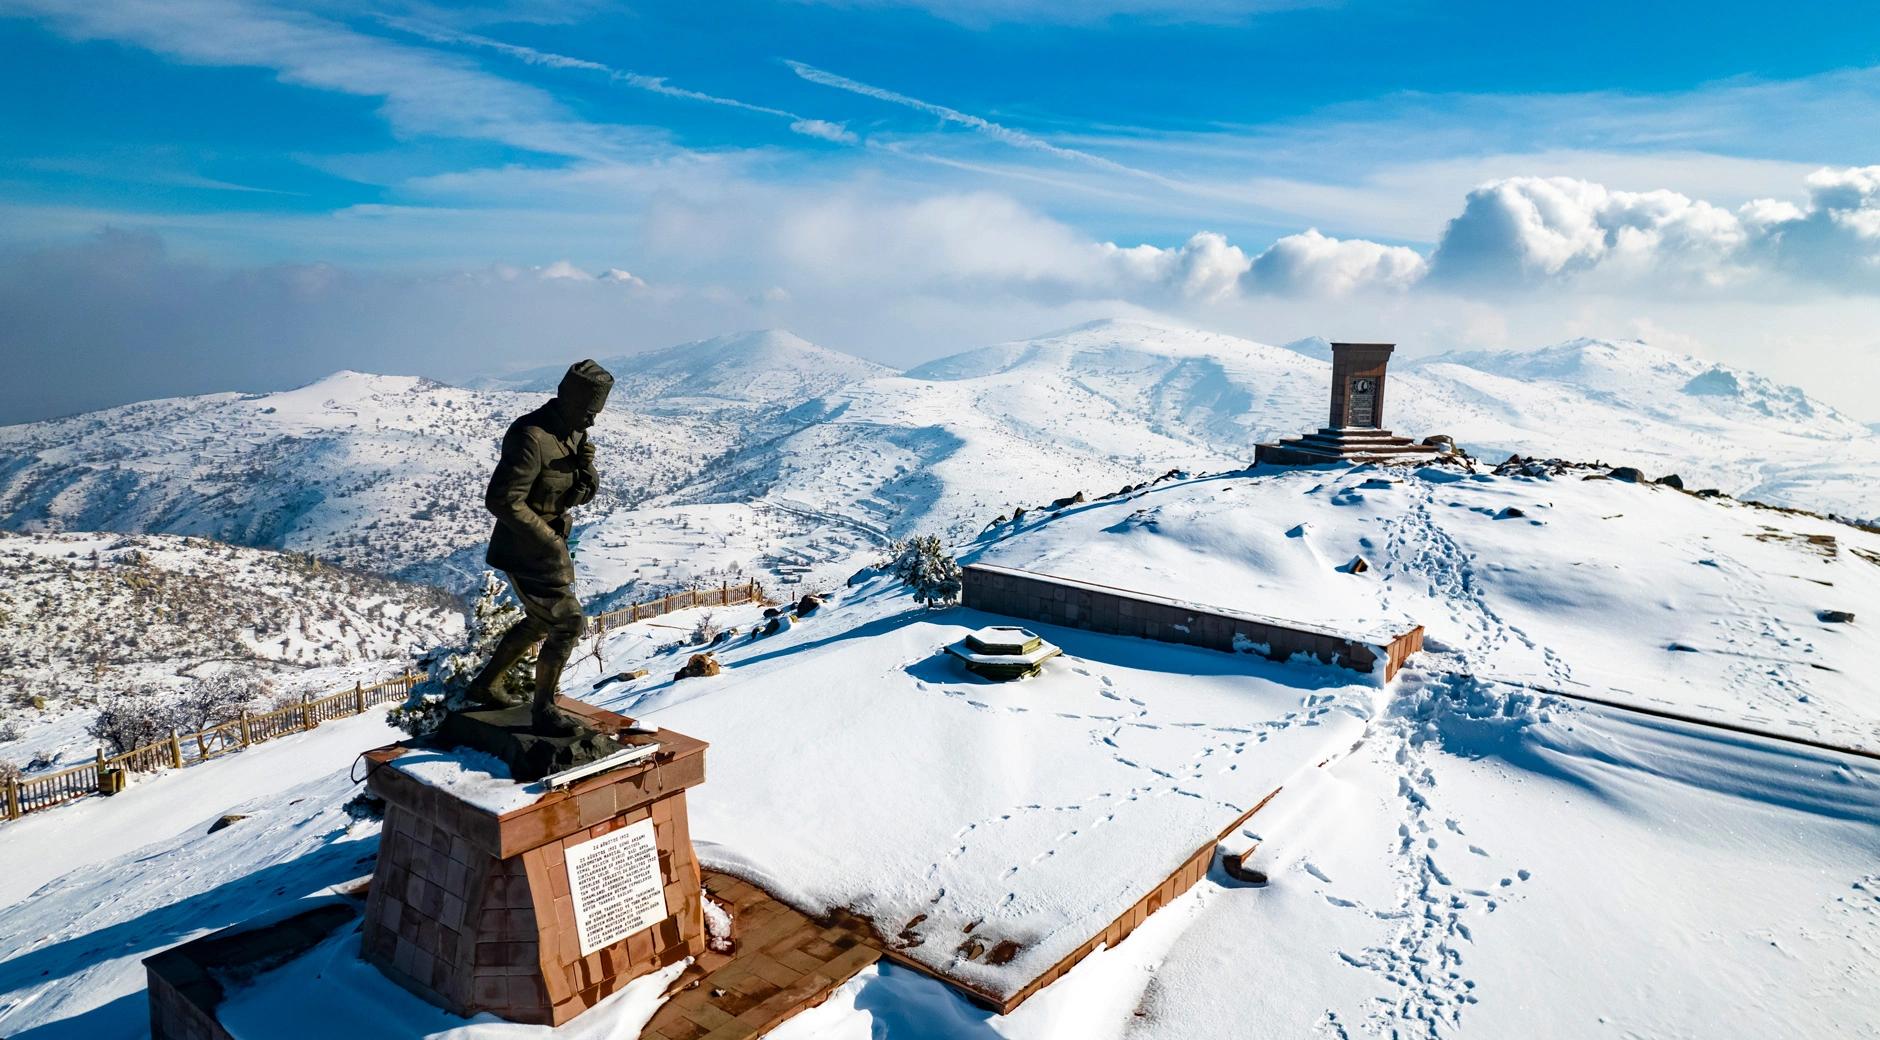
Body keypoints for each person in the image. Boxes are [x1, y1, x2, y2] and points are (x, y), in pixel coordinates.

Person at [464, 359, 613, 735]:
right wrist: (548, 542)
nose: (592, 422)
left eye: (595, 414)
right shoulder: (531, 436)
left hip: (552, 542)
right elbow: (503, 500)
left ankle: (486, 684)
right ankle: (543, 708)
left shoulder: (573, 433)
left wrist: (586, 471)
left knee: (540, 620)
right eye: (587, 411)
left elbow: (577, 496)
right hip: (525, 547)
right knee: (567, 621)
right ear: (566, 398)